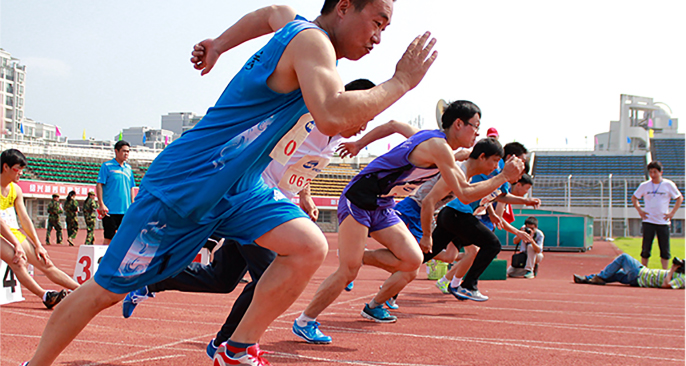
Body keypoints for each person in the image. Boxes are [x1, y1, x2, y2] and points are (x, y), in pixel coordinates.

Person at [26, 0, 438, 364]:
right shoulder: (315, 43)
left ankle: (237, 349)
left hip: (239, 187)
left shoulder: (294, 25)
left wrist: (220, 44)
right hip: (188, 183)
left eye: (386, 29)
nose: (379, 38)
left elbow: (268, 13)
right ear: (345, 6)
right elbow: (332, 113)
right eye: (378, 22)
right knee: (104, 292)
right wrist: (401, 81)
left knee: (308, 246)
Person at [120, 78, 418, 359]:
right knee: (269, 277)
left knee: (222, 279)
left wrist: (304, 195)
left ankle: (149, 281)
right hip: (254, 203)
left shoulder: (336, 138)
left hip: (274, 206)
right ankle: (226, 343)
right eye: (361, 118)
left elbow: (299, 164)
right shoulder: (308, 121)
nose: (362, 128)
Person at [292, 102, 524, 344]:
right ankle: (305, 321)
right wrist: (503, 176)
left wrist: (360, 144)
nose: (477, 133)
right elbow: (465, 193)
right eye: (475, 126)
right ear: (458, 124)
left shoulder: (435, 144)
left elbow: (394, 125)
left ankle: (360, 258)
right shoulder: (437, 146)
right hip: (359, 198)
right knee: (348, 270)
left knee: (413, 260)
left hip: (383, 205)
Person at [0, 149, 79, 308]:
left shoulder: (16, 190)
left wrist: (38, 245)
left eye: (23, 169)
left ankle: (81, 291)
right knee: (18, 261)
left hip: (10, 231)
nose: (21, 173)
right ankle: (45, 295)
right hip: (3, 231)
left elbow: (24, 218)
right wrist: (16, 244)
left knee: (46, 263)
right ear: (5, 167)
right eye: (18, 169)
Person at [631, 161, 683, 269]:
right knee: (645, 249)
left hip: (663, 221)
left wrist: (672, 213)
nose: (653, 175)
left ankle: (664, 272)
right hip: (648, 221)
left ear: (661, 172)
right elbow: (634, 197)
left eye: (655, 172)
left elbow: (679, 198)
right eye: (650, 172)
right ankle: (644, 271)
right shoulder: (644, 185)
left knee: (664, 249)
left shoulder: (668, 184)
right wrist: (640, 210)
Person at [96, 140, 136, 245]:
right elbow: (99, 184)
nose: (126, 154)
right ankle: (105, 260)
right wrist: (101, 204)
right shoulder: (107, 166)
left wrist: (133, 204)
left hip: (125, 210)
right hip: (110, 210)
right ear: (116, 151)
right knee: (109, 238)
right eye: (124, 151)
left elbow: (131, 187)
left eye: (128, 151)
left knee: (126, 238)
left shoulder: (128, 168)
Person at [573, 254, 684, 289]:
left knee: (624, 257)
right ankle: (587, 279)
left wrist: (672, 269)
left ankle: (600, 276)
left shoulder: (683, 279)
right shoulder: (680, 274)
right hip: (638, 280)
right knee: (615, 274)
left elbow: (666, 285)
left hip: (640, 274)